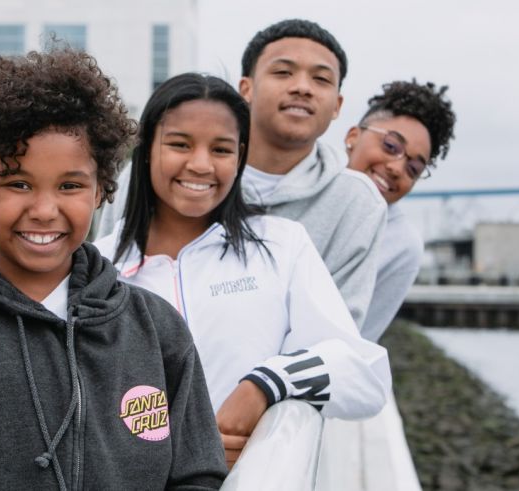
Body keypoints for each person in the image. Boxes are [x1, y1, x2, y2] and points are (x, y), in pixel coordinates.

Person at [0, 50, 227, 489]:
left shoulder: (155, 328)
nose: (43, 209)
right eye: (19, 183)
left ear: (100, 192)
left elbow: (198, 474)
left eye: (70, 186)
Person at [94, 73, 391, 469]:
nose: (200, 164)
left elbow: (362, 374)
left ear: (240, 157)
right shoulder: (98, 269)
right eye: (180, 144)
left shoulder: (281, 246)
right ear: (147, 151)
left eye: (221, 149)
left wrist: (264, 385)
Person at [97, 19, 386, 330]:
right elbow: (108, 275)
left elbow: (338, 338)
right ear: (246, 88)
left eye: (321, 79)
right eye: (283, 72)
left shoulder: (344, 209)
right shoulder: (147, 176)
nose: (302, 87)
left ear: (337, 105)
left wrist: (265, 379)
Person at [345, 80, 456, 342]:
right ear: (352, 137)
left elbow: (358, 339)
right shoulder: (305, 180)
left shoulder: (402, 246)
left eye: (414, 169)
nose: (396, 168)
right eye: (391, 146)